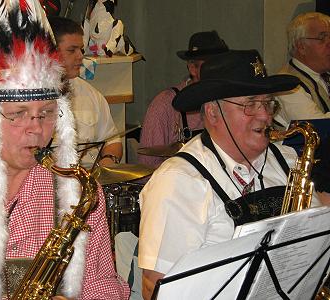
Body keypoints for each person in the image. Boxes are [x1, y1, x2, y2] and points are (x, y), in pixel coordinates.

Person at [0, 4, 129, 300]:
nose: (36, 129)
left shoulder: (80, 193)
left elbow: (104, 286)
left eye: (47, 113)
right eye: (19, 113)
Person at [138, 49, 325, 299]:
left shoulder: (286, 160)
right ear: (213, 112)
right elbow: (155, 288)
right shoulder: (178, 182)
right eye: (250, 104)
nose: (265, 116)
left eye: (268, 103)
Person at [138, 31, 229, 169]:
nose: (218, 71)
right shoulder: (163, 106)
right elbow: (146, 169)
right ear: (192, 67)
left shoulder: (230, 103)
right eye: (211, 64)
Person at [48, 16, 123, 169]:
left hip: (87, 180)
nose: (81, 56)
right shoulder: (29, 99)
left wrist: (108, 160)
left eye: (81, 49)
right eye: (71, 50)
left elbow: (113, 141)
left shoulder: (91, 94)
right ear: (50, 52)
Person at [276, 12, 330, 125]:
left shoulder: (325, 75)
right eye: (322, 38)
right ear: (301, 47)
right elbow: (316, 128)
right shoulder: (286, 84)